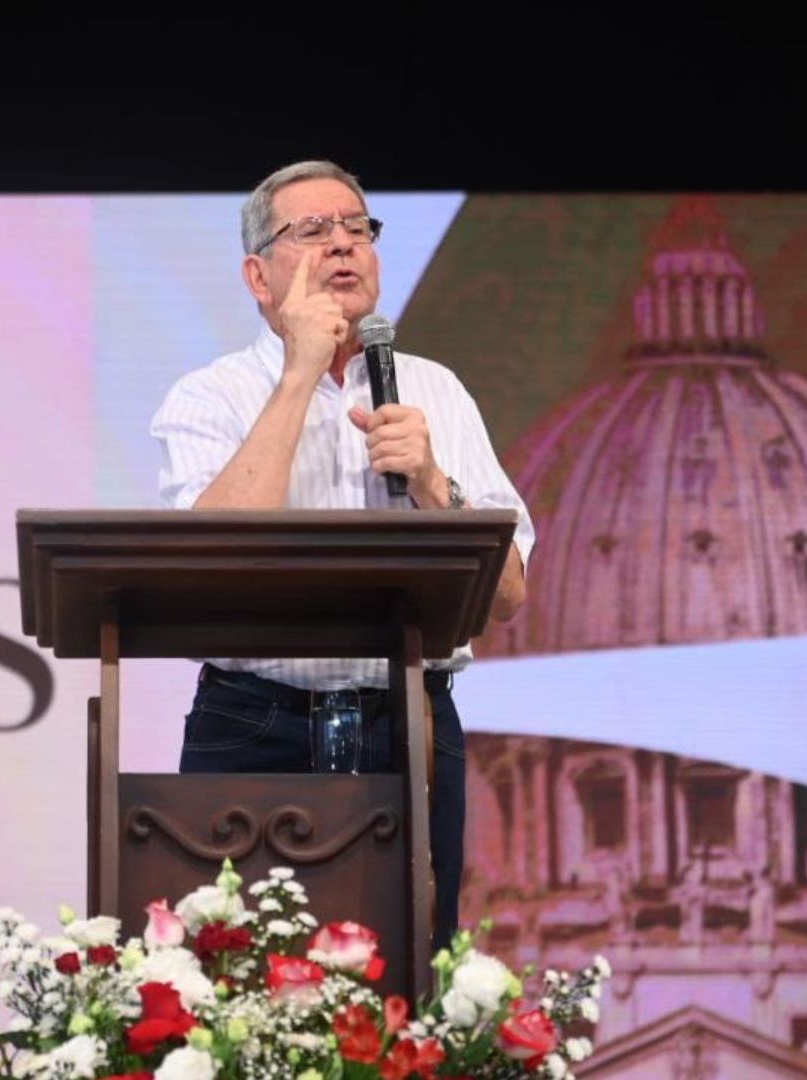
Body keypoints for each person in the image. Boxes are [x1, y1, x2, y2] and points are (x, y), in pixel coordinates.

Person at [149, 160, 533, 954]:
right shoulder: (209, 396)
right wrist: (297, 376)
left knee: (412, 978)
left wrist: (431, 481)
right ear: (260, 275)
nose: (342, 246)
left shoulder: (436, 391)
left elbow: (508, 596)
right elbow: (205, 564)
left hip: (413, 720)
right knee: (240, 986)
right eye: (313, 231)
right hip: (256, 722)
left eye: (357, 228)